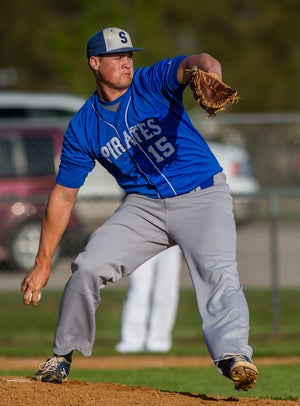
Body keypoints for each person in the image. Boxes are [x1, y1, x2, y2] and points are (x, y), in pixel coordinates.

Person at [20, 27, 258, 391]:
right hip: (143, 207)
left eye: (129, 55)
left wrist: (212, 72)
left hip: (202, 196)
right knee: (87, 267)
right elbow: (64, 196)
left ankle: (233, 356)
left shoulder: (151, 82)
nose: (127, 62)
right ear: (95, 63)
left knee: (218, 274)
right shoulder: (84, 126)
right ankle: (62, 355)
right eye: (117, 57)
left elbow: (198, 62)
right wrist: (42, 263)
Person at [116, 245, 182, 353]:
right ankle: (131, 341)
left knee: (165, 292)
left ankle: (159, 341)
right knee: (139, 290)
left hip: (172, 241)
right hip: (142, 239)